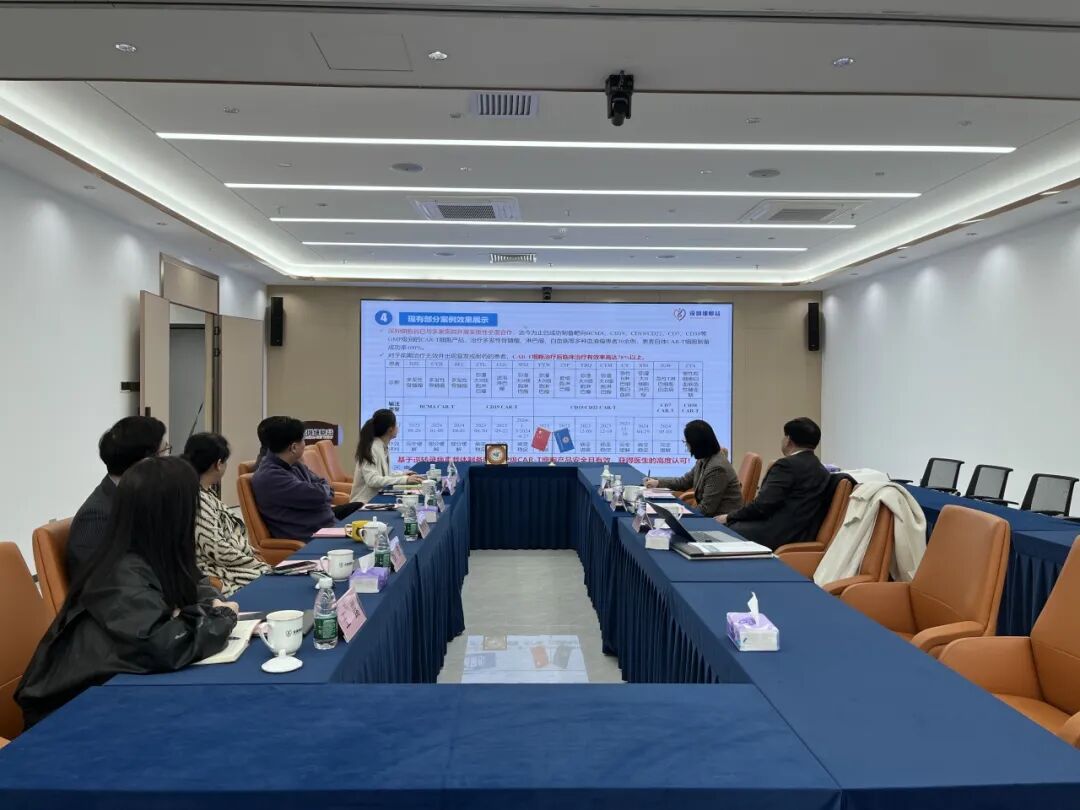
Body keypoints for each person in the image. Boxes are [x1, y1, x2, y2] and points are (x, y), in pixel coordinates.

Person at [16, 457, 237, 728]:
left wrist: (210, 602)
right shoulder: (118, 572)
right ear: (170, 515)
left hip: (116, 691)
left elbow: (196, 584)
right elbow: (164, 644)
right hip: (70, 715)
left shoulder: (154, 552)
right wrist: (221, 617)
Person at [67, 415, 168, 581]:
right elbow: (99, 587)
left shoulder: (142, 498)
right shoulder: (96, 517)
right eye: (165, 451)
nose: (169, 461)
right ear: (145, 463)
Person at [716, 417, 831, 550]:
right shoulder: (822, 470)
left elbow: (762, 506)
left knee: (719, 530)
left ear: (788, 440)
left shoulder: (786, 465)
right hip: (800, 534)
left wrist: (729, 517)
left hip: (774, 534)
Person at [182, 432, 271, 596]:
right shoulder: (198, 499)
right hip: (221, 572)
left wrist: (250, 552)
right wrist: (251, 561)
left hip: (231, 565)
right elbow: (216, 548)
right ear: (218, 464)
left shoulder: (201, 493)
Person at [250, 416, 361, 539]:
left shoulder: (294, 464)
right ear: (293, 447)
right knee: (365, 536)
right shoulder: (271, 477)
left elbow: (324, 486)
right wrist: (323, 492)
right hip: (312, 534)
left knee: (363, 515)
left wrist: (323, 492)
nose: (305, 444)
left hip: (325, 523)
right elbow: (320, 494)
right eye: (303, 440)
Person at [643, 420, 743, 517]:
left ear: (696, 444)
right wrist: (657, 482)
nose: (686, 445)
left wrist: (679, 514)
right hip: (709, 517)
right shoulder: (705, 458)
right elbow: (683, 482)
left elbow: (706, 510)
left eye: (686, 442)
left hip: (720, 522)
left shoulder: (717, 469)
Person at [350, 409, 424, 503]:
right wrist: (404, 480)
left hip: (376, 499)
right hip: (363, 503)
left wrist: (403, 474)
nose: (397, 428)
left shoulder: (381, 446)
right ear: (390, 430)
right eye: (396, 425)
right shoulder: (372, 448)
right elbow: (372, 480)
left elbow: (384, 475)